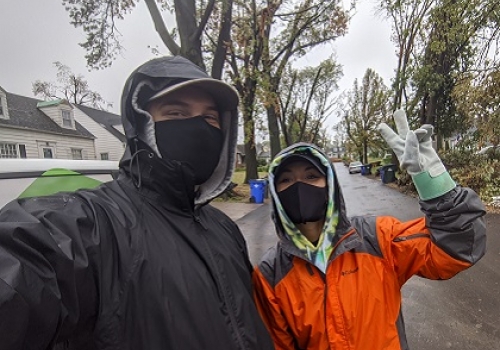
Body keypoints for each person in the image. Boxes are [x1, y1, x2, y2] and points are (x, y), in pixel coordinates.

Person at [0, 55, 274, 350]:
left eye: (210, 118)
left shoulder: (224, 228)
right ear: (141, 127)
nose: (199, 127)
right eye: (176, 114)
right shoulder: (97, 227)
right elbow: (25, 262)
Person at [252, 110, 487, 350]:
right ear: (274, 190)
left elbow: (456, 249)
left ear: (330, 185)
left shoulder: (376, 238)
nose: (299, 186)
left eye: (312, 176)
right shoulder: (271, 273)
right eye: (286, 180)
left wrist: (436, 185)